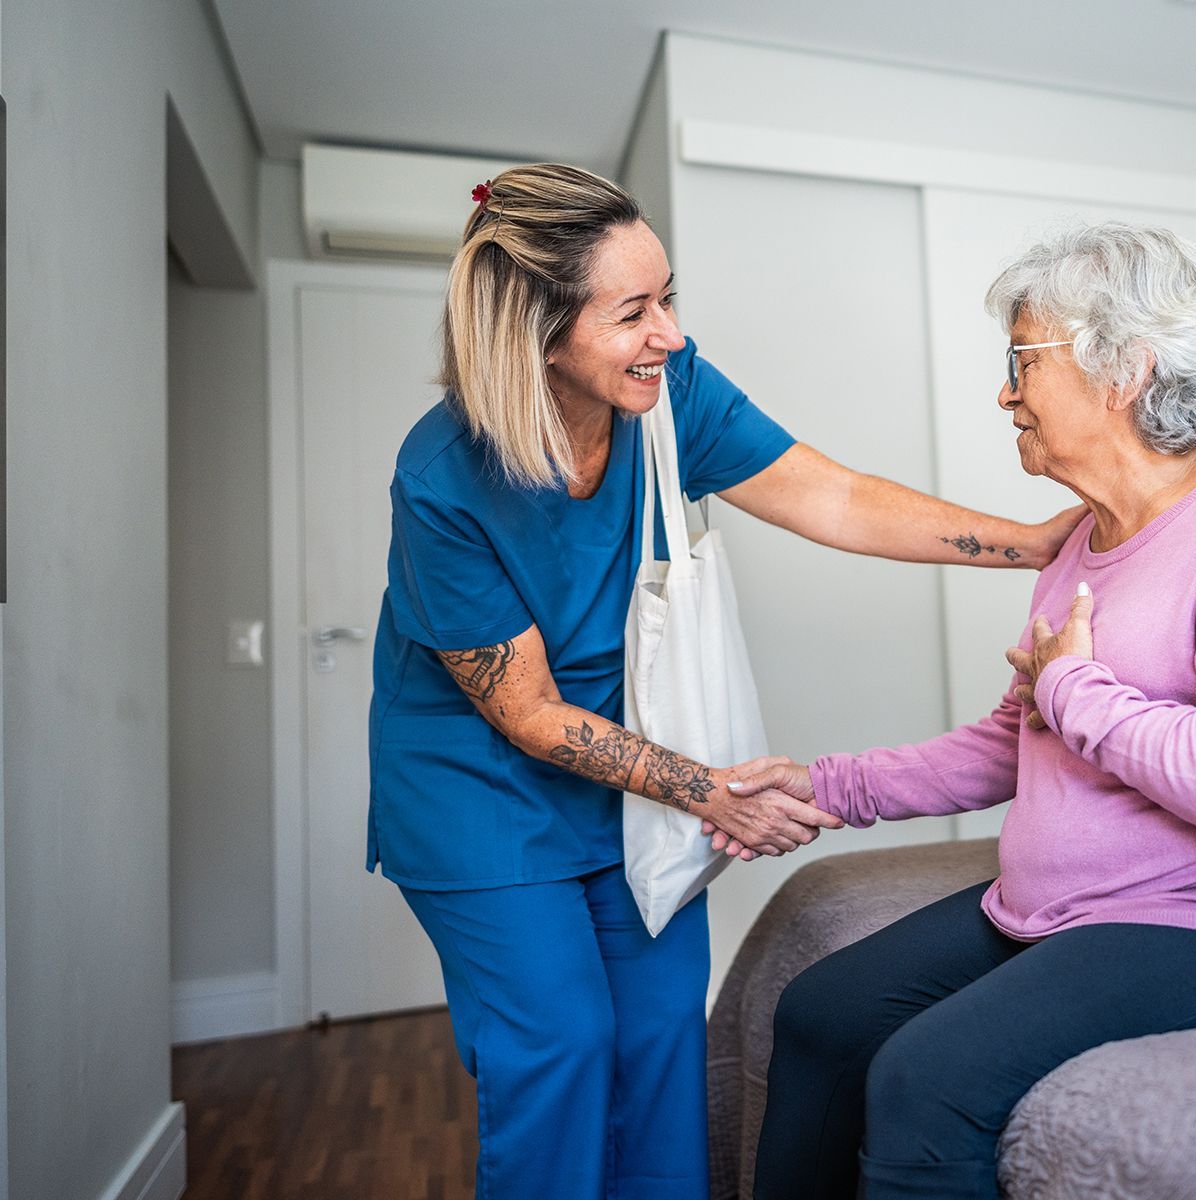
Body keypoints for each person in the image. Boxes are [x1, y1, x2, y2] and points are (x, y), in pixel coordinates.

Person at [367, 163, 1083, 1200]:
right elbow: (523, 711)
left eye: (668, 298)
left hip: (629, 762)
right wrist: (708, 791)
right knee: (561, 1043)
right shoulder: (443, 479)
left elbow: (831, 497)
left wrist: (1028, 545)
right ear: (537, 333)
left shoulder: (669, 395)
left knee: (661, 1034)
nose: (667, 331)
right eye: (632, 312)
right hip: (478, 791)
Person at [730, 222, 1196, 1200]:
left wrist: (1073, 686)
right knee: (823, 1011)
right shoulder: (1085, 542)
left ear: (1122, 369)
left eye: (1022, 360)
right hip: (1089, 904)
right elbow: (1021, 745)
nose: (1004, 391)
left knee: (926, 1079)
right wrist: (826, 787)